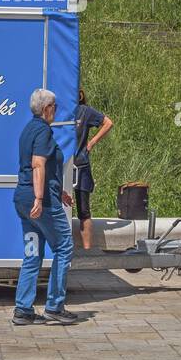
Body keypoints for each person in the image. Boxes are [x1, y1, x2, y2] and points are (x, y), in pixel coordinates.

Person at [12, 88, 77, 326]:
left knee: (32, 254)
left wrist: (59, 192)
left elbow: (39, 169)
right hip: (41, 202)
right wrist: (41, 199)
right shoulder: (44, 132)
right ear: (47, 108)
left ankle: (23, 309)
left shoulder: (27, 130)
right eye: (55, 107)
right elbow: (38, 165)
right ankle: (55, 306)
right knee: (63, 246)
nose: (56, 111)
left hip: (23, 199)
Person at [72, 89, 113, 250]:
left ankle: (87, 251)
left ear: (80, 95)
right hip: (62, 166)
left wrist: (92, 142)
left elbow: (108, 123)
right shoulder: (59, 111)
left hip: (80, 165)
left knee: (83, 210)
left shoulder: (85, 111)